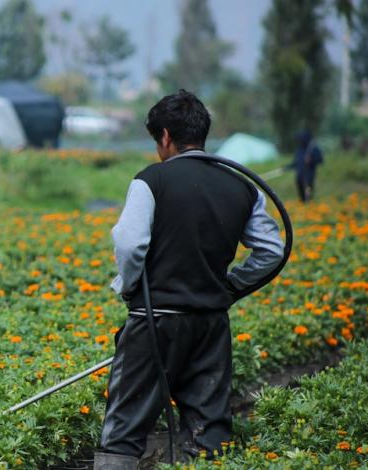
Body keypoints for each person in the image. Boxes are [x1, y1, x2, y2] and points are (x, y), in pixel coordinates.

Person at [94, 90, 285, 470]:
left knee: (124, 428)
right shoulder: (241, 185)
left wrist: (130, 287)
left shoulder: (152, 180)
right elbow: (271, 251)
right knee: (207, 429)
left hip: (155, 322)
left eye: (156, 142)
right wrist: (230, 287)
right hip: (210, 325)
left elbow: (130, 245)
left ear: (165, 136)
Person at [294, 130, 323, 203]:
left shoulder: (313, 149)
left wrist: (311, 160)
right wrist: (286, 167)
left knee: (308, 194)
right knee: (301, 195)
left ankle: (309, 206)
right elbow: (296, 162)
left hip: (308, 176)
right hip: (300, 176)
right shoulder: (299, 149)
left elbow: (320, 160)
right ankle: (303, 206)